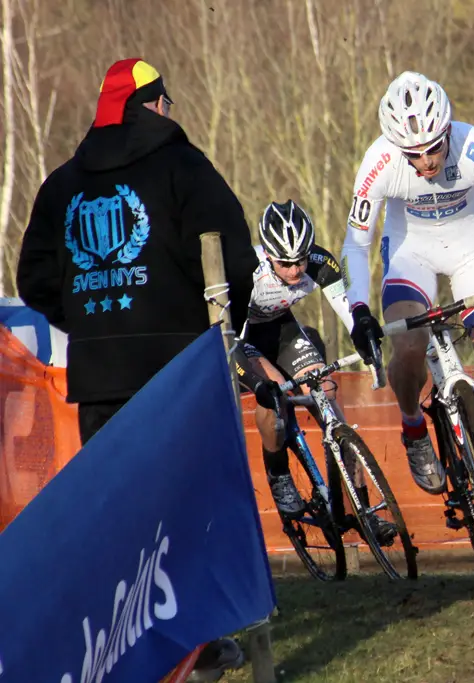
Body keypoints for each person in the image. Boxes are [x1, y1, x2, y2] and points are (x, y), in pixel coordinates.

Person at [15, 58, 253, 682]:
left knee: (124, 522)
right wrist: (230, 318)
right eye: (165, 101)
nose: (170, 112)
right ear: (150, 105)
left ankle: (143, 654)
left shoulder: (62, 185)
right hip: (177, 371)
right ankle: (199, 640)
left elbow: (33, 278)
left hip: (100, 379)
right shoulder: (182, 165)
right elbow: (234, 247)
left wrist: (91, 323)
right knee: (187, 506)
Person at [339, 71, 474, 553]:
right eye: (411, 154)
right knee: (410, 345)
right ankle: (413, 422)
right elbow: (356, 244)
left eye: (431, 150)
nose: (423, 162)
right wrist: (358, 310)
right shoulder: (379, 163)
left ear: (447, 131)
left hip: (472, 251)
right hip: (412, 253)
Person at [231, 199, 396, 545]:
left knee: (327, 393)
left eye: (300, 261)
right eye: (285, 263)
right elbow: (230, 344)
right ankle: (278, 473)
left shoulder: (319, 263)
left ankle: (366, 511)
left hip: (282, 330)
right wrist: (259, 384)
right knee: (275, 396)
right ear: (269, 256)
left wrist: (367, 346)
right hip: (243, 338)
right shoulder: (247, 271)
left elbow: (349, 311)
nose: (294, 270)